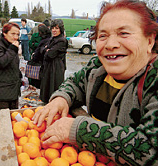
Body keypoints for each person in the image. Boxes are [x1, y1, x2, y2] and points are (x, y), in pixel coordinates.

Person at [33, 0, 158, 165]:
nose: (111, 44)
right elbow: (76, 83)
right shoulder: (98, 67)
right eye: (103, 36)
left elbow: (151, 150)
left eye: (124, 33)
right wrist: (61, 98)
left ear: (150, 41)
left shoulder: (153, 80)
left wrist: (80, 130)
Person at [39, 19, 68, 103]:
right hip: (49, 65)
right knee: (47, 86)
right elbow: (42, 50)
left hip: (56, 67)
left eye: (57, 28)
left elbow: (50, 54)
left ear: (61, 29)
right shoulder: (53, 38)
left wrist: (47, 50)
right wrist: (46, 50)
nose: (54, 30)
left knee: (53, 86)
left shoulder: (62, 40)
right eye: (53, 28)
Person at [28, 24, 52, 88]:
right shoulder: (48, 39)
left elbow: (39, 51)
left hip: (39, 62)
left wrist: (35, 45)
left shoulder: (45, 40)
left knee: (36, 79)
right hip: (39, 59)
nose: (39, 34)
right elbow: (30, 44)